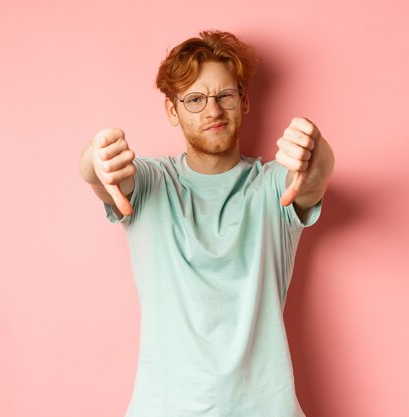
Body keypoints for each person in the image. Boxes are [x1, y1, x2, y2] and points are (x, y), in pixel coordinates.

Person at [79, 30, 334, 417]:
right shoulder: (151, 183)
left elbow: (314, 177)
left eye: (224, 96)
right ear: (172, 110)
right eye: (195, 99)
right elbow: (104, 177)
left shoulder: (272, 187)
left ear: (244, 101)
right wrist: (94, 161)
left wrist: (314, 151)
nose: (212, 111)